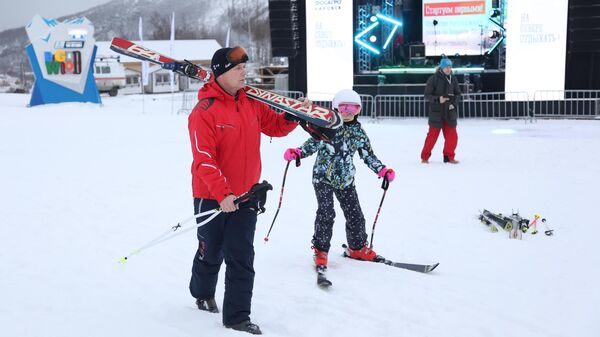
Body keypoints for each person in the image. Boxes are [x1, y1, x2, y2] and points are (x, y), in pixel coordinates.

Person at [188, 46, 302, 335]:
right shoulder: (204, 112)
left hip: (247, 196)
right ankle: (201, 292)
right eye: (237, 68)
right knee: (210, 252)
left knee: (241, 256)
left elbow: (273, 126)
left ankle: (237, 317)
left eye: (244, 67)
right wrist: (223, 194)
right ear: (220, 73)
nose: (244, 72)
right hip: (211, 197)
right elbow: (204, 159)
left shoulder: (250, 102)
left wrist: (293, 116)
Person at [283, 89, 395, 269]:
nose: (348, 112)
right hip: (323, 177)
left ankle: (357, 247)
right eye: (344, 108)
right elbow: (312, 143)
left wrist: (381, 170)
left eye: (353, 108)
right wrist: (298, 153)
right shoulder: (327, 126)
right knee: (326, 213)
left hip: (346, 179)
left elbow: (368, 155)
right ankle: (321, 250)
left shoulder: (358, 132)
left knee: (355, 215)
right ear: (335, 108)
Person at [421, 57, 462, 164]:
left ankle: (449, 157)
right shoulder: (433, 79)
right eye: (446, 67)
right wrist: (438, 99)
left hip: (450, 112)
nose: (448, 69)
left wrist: (454, 104)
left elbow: (458, 94)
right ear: (441, 67)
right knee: (432, 137)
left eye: (450, 67)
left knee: (452, 137)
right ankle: (425, 157)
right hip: (436, 112)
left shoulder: (453, 79)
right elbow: (427, 95)